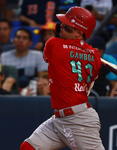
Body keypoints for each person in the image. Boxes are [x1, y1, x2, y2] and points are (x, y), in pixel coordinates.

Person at [20, 6, 105, 150]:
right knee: (28, 147)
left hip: (78, 120)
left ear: (79, 32)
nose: (60, 29)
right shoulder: (95, 55)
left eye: (67, 28)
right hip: (59, 119)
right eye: (61, 25)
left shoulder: (53, 44)